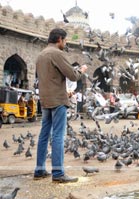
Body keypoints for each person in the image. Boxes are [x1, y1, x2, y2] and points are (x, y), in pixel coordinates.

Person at [33, 28, 88, 183]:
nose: (65, 43)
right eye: (65, 40)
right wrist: (82, 70)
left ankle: (39, 169)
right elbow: (72, 75)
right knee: (58, 135)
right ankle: (58, 173)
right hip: (57, 100)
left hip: (44, 100)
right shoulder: (57, 53)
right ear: (59, 39)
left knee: (44, 134)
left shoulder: (41, 55)